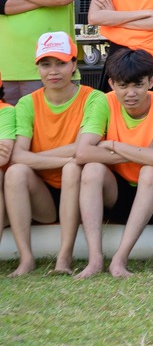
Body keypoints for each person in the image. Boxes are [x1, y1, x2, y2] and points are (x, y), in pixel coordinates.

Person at [74, 46, 153, 277]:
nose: (130, 93)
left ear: (151, 81)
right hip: (117, 194)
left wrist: (114, 145)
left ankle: (119, 259)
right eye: (123, 86)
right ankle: (95, 260)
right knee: (91, 169)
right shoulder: (103, 102)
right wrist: (145, 150)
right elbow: (82, 152)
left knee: (151, 170)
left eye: (138, 85)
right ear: (111, 84)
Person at [2, 32, 107, 275]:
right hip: (43, 194)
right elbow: (18, 156)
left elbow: (82, 149)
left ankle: (64, 258)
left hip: (84, 188)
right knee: (16, 172)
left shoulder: (93, 98)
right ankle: (26, 259)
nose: (53, 71)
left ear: (74, 64)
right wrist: (69, 157)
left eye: (61, 63)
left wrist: (42, 157)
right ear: (37, 68)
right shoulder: (28, 103)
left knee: (72, 168)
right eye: (46, 64)